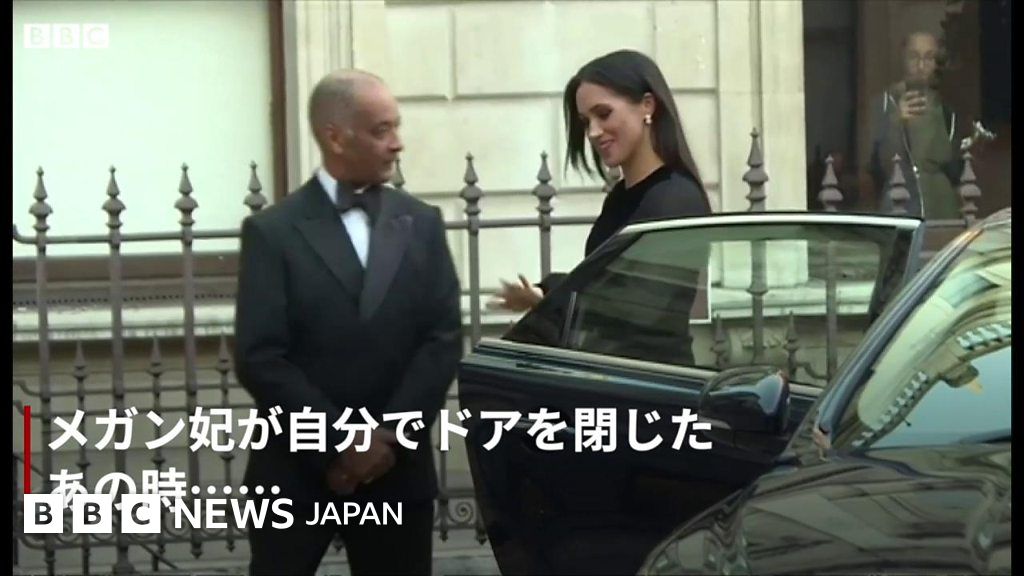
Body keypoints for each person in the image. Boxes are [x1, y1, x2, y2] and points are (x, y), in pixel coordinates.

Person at [233, 69, 462, 575]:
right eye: (381, 130)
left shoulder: (421, 223)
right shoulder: (273, 232)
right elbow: (260, 355)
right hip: (296, 470)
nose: (397, 143)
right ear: (335, 137)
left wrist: (387, 438)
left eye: (396, 126)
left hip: (397, 471)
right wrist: (342, 441)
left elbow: (442, 338)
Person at [490, 50, 711, 350]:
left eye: (604, 114)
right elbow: (605, 288)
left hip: (651, 373)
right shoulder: (621, 197)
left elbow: (636, 307)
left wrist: (551, 299)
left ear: (647, 106)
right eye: (585, 121)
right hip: (609, 370)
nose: (593, 132)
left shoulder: (676, 198)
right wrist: (546, 297)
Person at [871, 31, 962, 219]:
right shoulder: (884, 104)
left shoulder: (946, 111)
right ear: (903, 59)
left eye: (929, 58)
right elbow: (877, 166)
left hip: (941, 210)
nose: (921, 66)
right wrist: (896, 121)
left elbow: (955, 169)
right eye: (914, 57)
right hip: (899, 205)